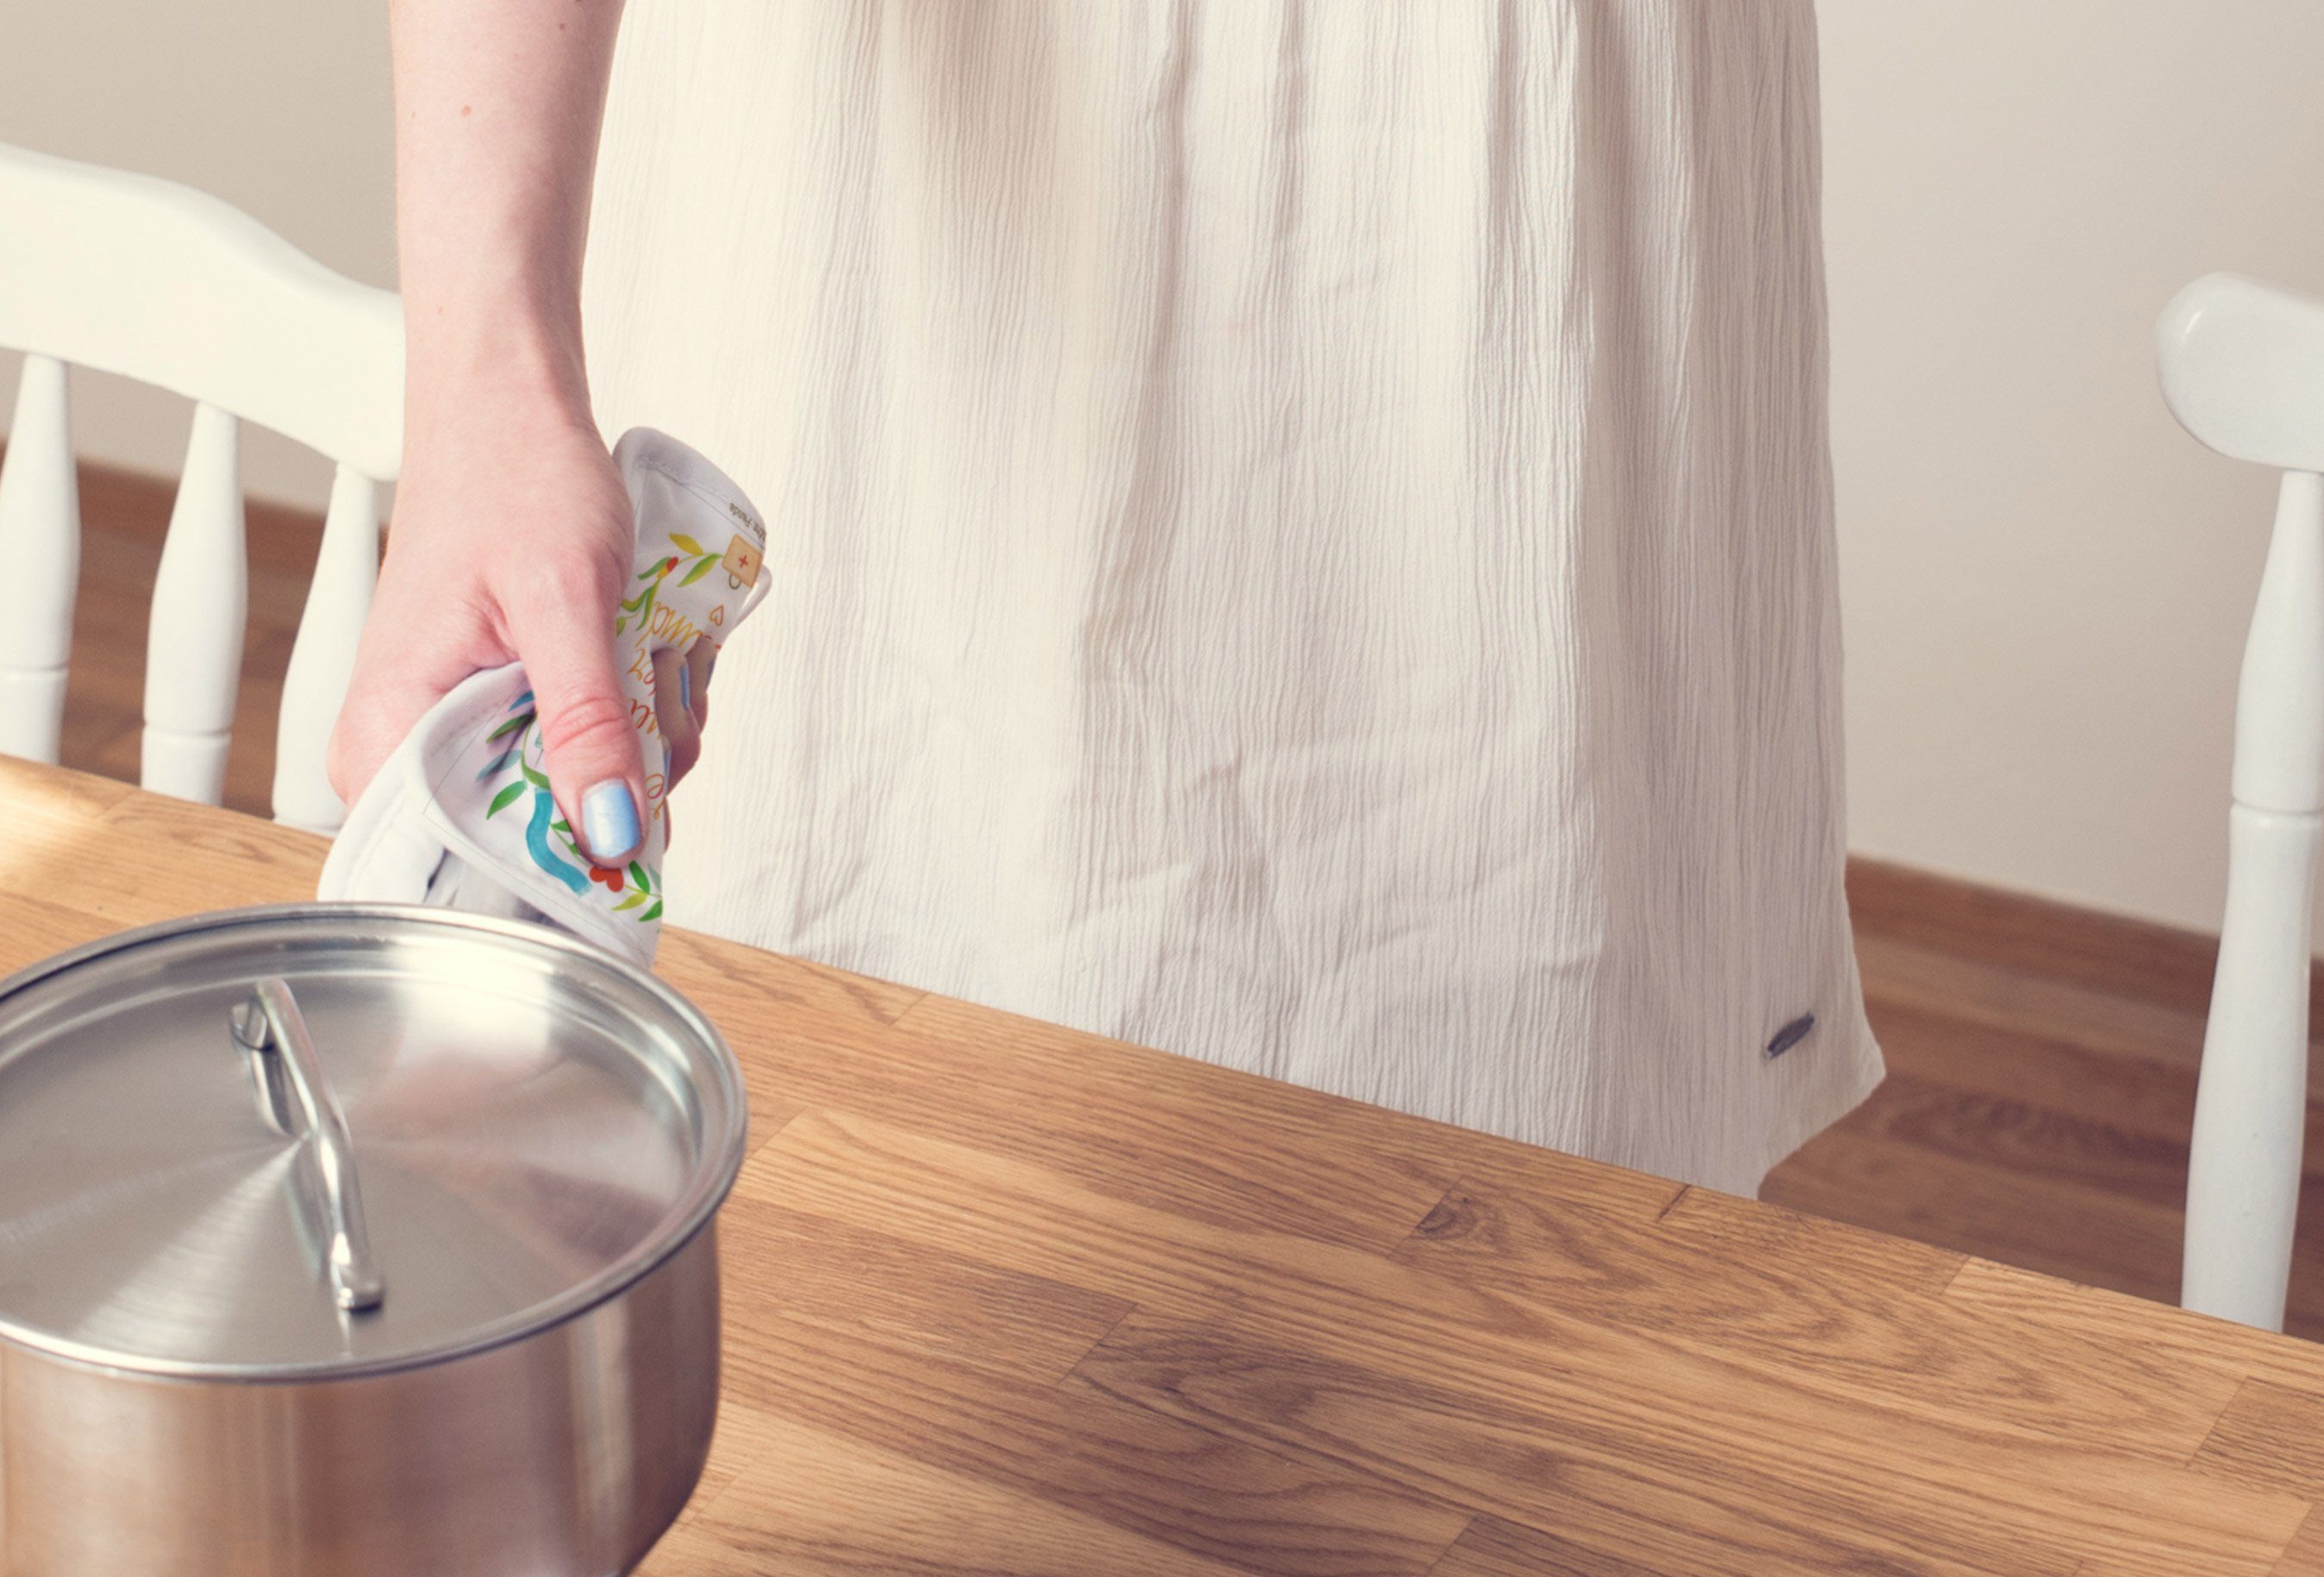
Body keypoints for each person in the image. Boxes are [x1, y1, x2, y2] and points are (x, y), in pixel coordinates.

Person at [334, 2, 1880, 1195]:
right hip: (891, 195)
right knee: (794, 1184)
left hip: (1502, 179)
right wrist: (483, 388)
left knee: (1519, 1212)